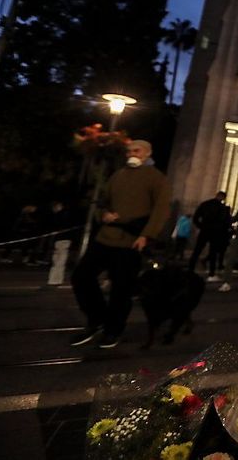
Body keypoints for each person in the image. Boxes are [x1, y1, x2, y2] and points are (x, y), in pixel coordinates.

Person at [71, 140, 171, 349]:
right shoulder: (118, 175)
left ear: (147, 153)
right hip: (106, 237)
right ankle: (97, 317)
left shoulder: (156, 178)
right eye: (128, 151)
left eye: (136, 150)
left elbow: (161, 210)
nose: (131, 154)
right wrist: (103, 214)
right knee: (81, 276)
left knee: (121, 289)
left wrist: (146, 236)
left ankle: (113, 330)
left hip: (131, 241)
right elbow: (101, 202)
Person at [190, 191, 232, 281]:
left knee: (197, 250)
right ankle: (211, 274)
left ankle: (190, 270)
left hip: (204, 230)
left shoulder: (205, 204)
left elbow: (196, 217)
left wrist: (201, 226)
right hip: (215, 232)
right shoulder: (222, 208)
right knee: (213, 253)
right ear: (223, 198)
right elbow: (225, 222)